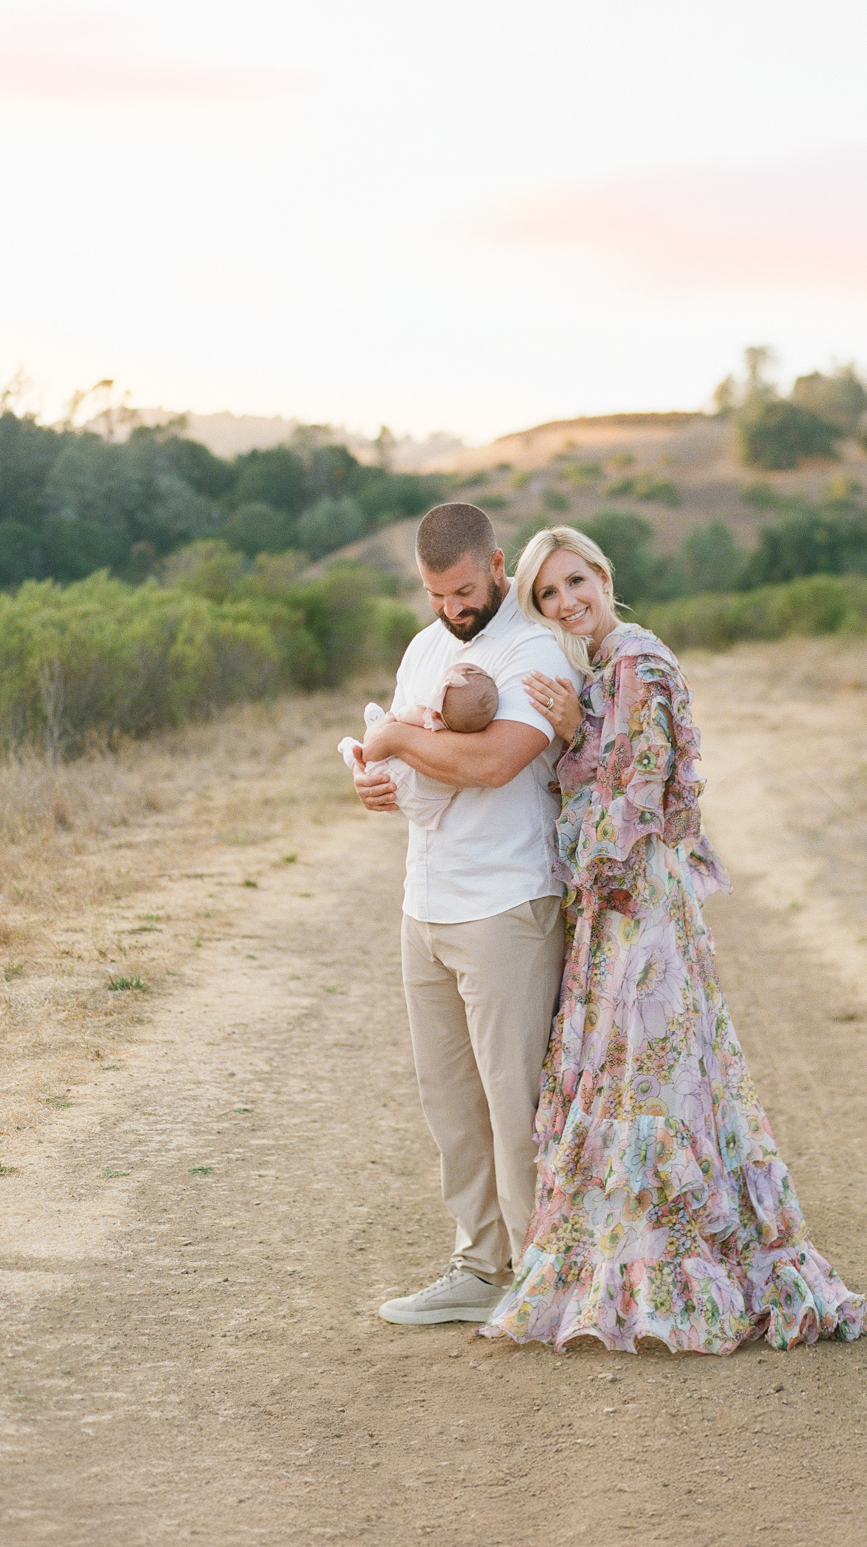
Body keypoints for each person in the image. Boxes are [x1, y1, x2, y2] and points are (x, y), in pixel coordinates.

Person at [480, 525, 867, 1353]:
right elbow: (604, 777)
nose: (566, 603)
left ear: (605, 574)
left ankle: (681, 1267)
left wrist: (568, 743)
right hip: (617, 907)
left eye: (576, 581)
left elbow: (637, 801)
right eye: (548, 594)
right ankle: (625, 1256)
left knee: (657, 1080)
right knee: (637, 1075)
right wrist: (575, 737)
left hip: (639, 905)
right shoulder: (604, 671)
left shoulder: (638, 664)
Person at [350, 503, 580, 1325]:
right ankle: (477, 1266)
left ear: (496, 562)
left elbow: (492, 761)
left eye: (462, 589)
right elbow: (390, 748)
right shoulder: (423, 648)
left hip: (507, 902)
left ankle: (538, 1281)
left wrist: (397, 745)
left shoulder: (531, 645)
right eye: (436, 594)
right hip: (427, 901)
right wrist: (371, 777)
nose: (453, 608)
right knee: (449, 1099)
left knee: (512, 1101)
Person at [339, 662, 500, 832]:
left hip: (397, 783)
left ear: (437, 710)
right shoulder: (468, 737)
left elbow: (399, 718)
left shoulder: (428, 718)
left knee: (380, 746)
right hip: (429, 804)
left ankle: (356, 748)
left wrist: (396, 722)